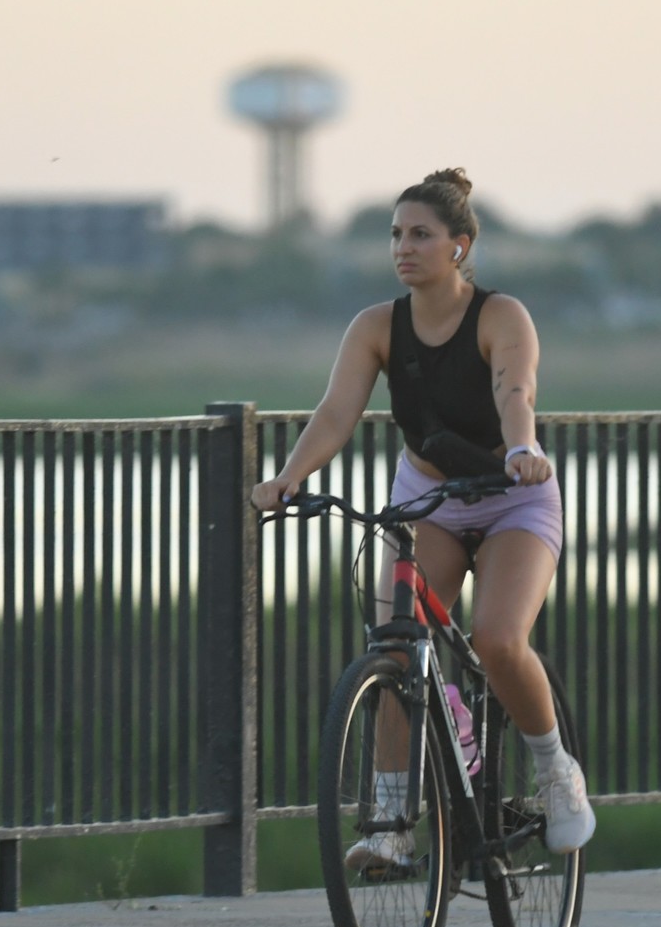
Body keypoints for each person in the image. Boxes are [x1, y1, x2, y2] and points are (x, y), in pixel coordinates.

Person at [249, 167, 595, 865]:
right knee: (396, 645)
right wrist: (288, 478)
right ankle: (390, 823)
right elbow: (335, 412)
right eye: (395, 235)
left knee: (497, 638)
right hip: (427, 497)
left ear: (460, 246)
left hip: (511, 496)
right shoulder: (376, 326)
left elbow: (515, 390)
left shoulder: (501, 316)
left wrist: (524, 447)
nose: (403, 247)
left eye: (421, 235)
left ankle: (556, 771)